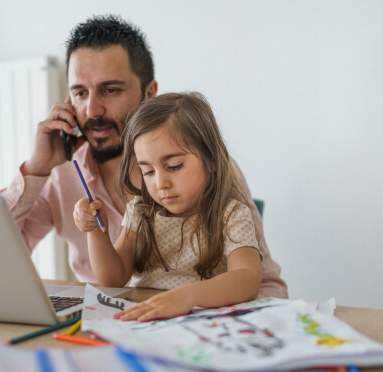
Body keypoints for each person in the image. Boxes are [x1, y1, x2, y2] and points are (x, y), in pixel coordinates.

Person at [0, 15, 288, 298]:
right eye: (80, 93)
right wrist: (36, 168)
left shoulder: (215, 170)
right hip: (119, 323)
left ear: (149, 93)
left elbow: (264, 283)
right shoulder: (61, 172)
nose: (92, 110)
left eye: (110, 90)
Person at [73, 92, 262, 321]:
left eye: (174, 166)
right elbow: (112, 279)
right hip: (145, 322)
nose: (160, 183)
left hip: (203, 326)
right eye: (149, 171)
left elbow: (247, 279)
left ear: (211, 159)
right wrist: (95, 231)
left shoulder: (230, 214)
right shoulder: (140, 212)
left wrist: (187, 296)